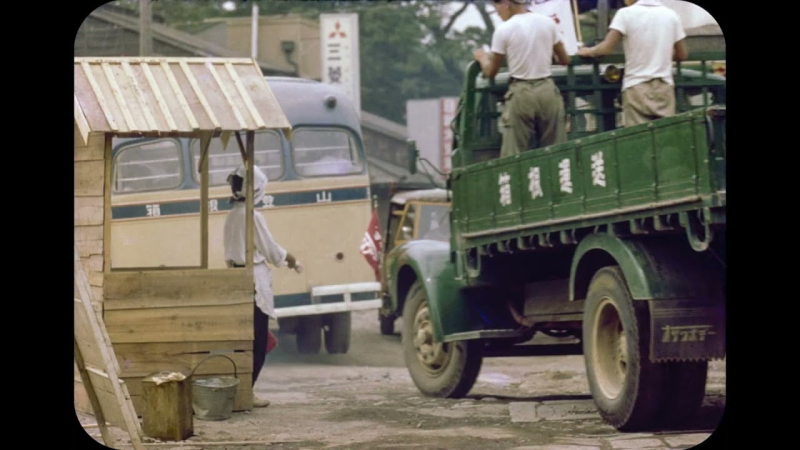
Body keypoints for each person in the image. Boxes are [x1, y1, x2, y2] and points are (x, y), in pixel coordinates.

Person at [223, 164, 297, 408]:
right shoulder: (252, 215)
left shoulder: (233, 214)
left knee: (247, 340)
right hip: (253, 283)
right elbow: (271, 249)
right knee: (257, 341)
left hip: (235, 278)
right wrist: (290, 258)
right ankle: (246, 392)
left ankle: (242, 391)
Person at [473, 0, 571, 158]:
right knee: (555, 152)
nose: (497, 12)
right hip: (547, 90)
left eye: (497, 7)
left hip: (521, 93)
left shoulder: (503, 30)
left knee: (514, 153)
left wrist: (482, 57)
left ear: (506, 3)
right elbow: (565, 60)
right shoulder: (547, 23)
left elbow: (491, 71)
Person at [577, 0, 688, 126]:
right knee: (664, 135)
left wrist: (588, 51)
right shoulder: (671, 15)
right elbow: (682, 54)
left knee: (638, 138)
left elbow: (606, 48)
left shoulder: (625, 14)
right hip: (664, 86)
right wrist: (660, 54)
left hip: (636, 85)